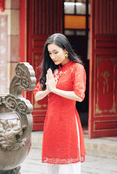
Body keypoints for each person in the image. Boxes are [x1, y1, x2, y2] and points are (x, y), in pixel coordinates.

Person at [33, 33, 86, 174]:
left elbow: (79, 96)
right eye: (50, 53)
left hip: (68, 121)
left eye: (56, 52)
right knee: (53, 165)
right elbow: (37, 96)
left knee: (68, 165)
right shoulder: (51, 70)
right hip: (52, 121)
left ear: (66, 50)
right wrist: (48, 90)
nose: (53, 56)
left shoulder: (77, 68)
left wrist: (55, 90)